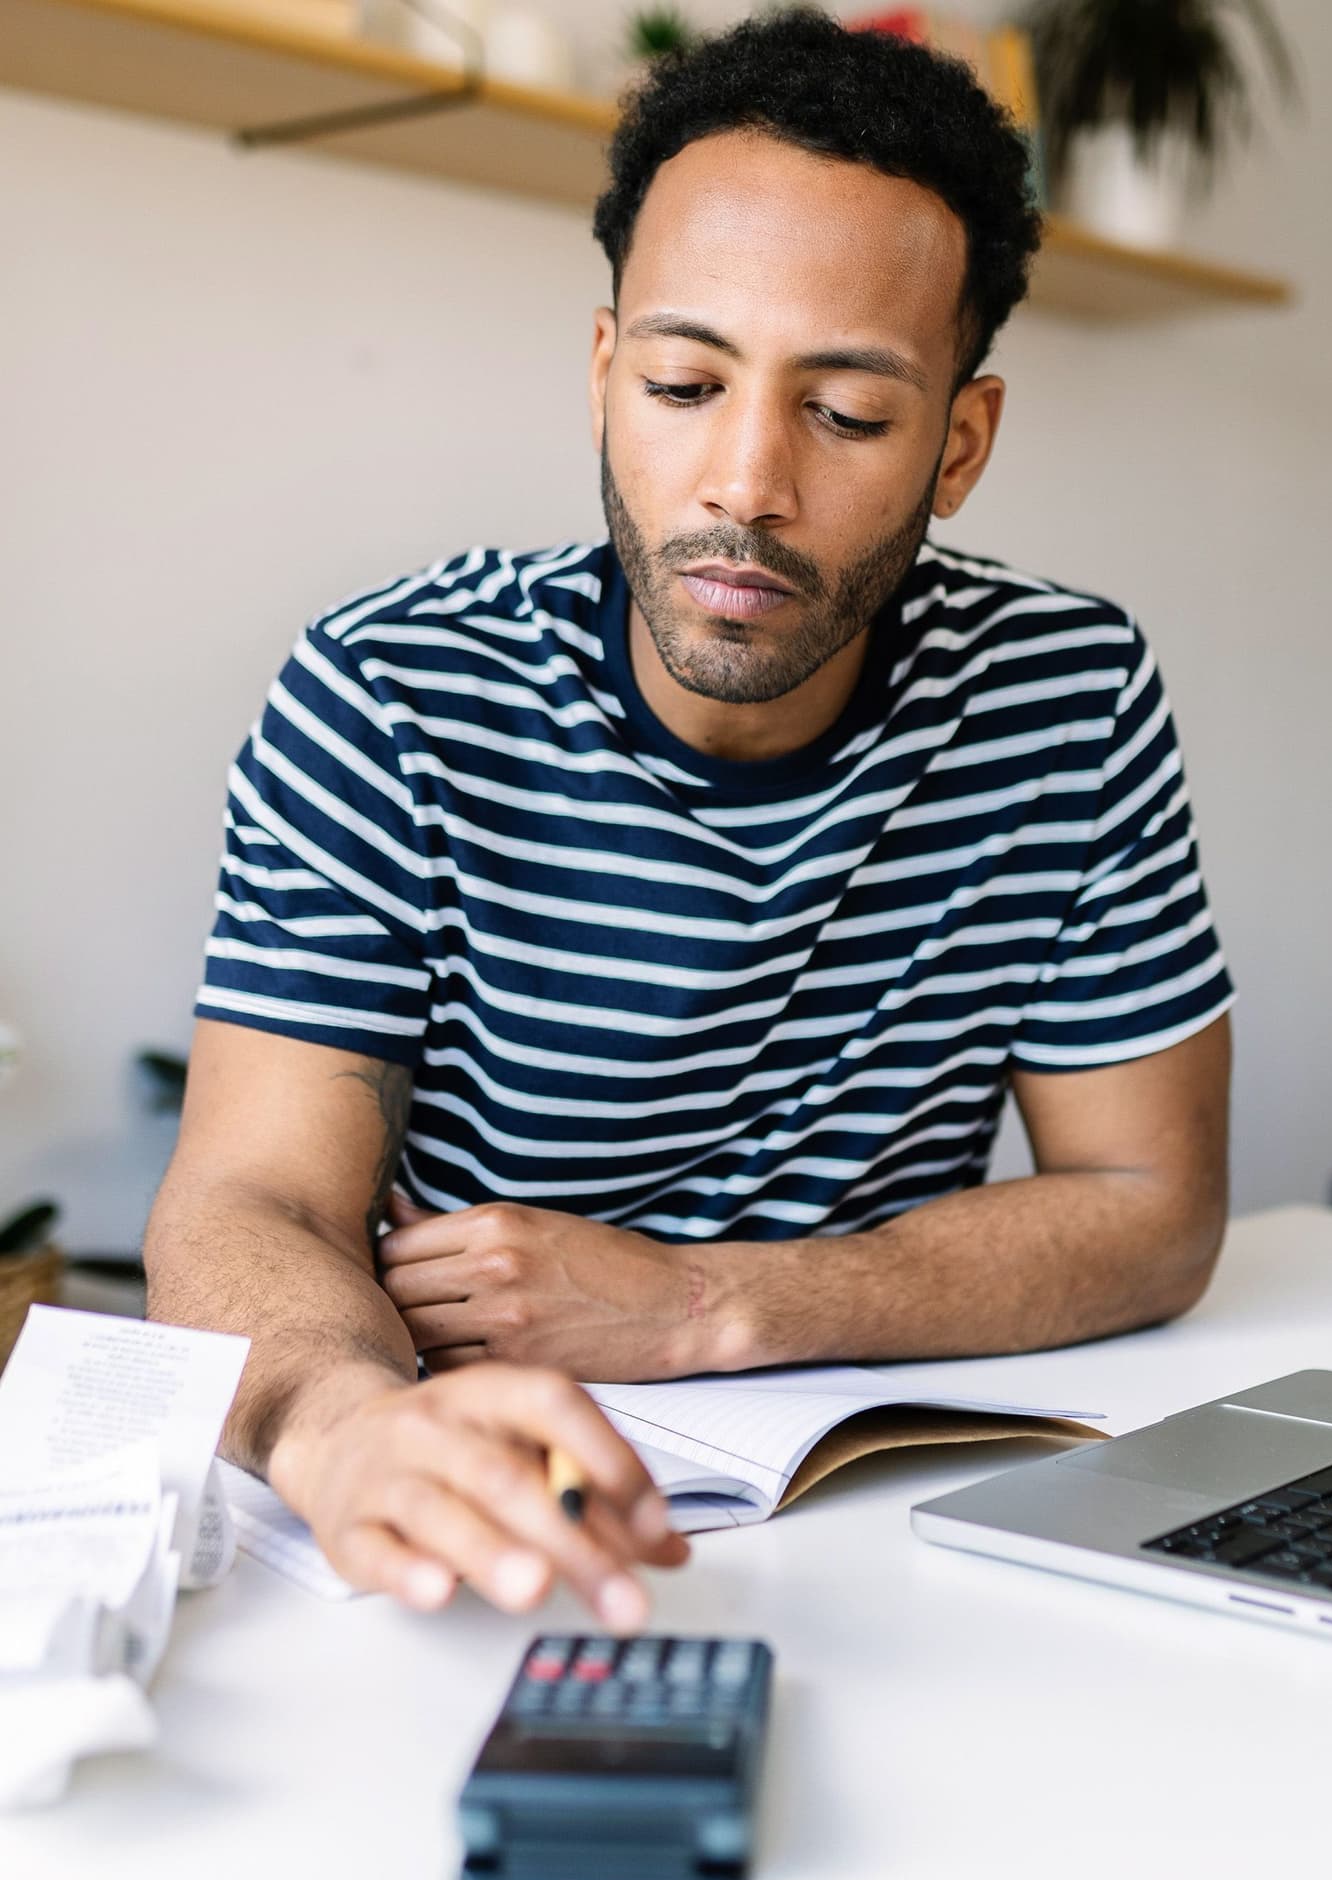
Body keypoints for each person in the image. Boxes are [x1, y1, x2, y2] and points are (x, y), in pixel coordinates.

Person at [146, 9, 1234, 1629]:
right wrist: (348, 1427)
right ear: (603, 378)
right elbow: (253, 1203)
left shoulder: (1065, 694)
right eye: (683, 381)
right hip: (483, 1521)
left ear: (962, 444)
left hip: (890, 1519)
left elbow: (1155, 1213)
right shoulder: (389, 691)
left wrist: (705, 1306)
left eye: (848, 416)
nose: (744, 480)